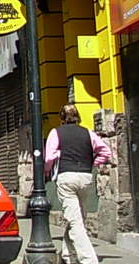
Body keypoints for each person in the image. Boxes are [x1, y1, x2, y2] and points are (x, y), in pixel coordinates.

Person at [45, 104, 112, 264]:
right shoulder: (88, 133)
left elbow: (48, 158)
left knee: (75, 220)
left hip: (66, 176)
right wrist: (93, 163)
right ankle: (67, 256)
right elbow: (106, 152)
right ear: (78, 117)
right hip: (85, 176)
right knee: (77, 217)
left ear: (61, 118)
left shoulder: (56, 133)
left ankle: (88, 259)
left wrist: (48, 171)